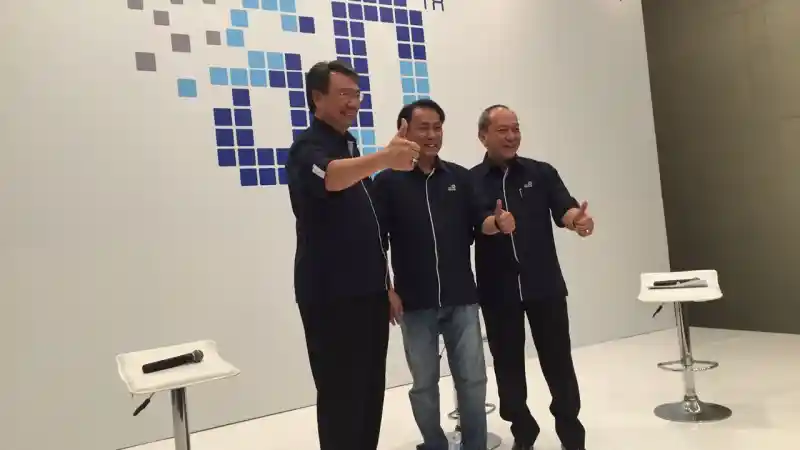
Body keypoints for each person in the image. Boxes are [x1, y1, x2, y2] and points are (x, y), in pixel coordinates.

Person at [285, 60, 421, 450]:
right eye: (344, 94)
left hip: (368, 293)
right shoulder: (307, 148)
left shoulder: (350, 146)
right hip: (331, 295)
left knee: (368, 391)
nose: (353, 102)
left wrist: (386, 286)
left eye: (357, 94)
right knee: (340, 395)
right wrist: (385, 158)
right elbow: (330, 177)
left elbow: (370, 228)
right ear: (317, 97)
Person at [371, 99, 516, 450]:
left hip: (461, 296)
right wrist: (387, 288)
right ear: (404, 129)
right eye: (424, 127)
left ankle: (474, 445)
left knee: (473, 380)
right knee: (424, 384)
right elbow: (376, 241)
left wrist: (497, 224)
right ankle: (434, 444)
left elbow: (479, 221)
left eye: (437, 127)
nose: (432, 135)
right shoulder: (387, 182)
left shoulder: (459, 178)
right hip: (414, 301)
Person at [470, 105, 595, 450]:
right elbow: (475, 224)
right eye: (502, 130)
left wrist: (577, 221)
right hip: (498, 291)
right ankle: (523, 430)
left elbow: (564, 208)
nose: (512, 136)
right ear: (483, 136)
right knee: (507, 366)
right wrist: (496, 224)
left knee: (559, 363)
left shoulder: (541, 173)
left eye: (516, 129)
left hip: (545, 286)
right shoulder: (471, 181)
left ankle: (571, 433)